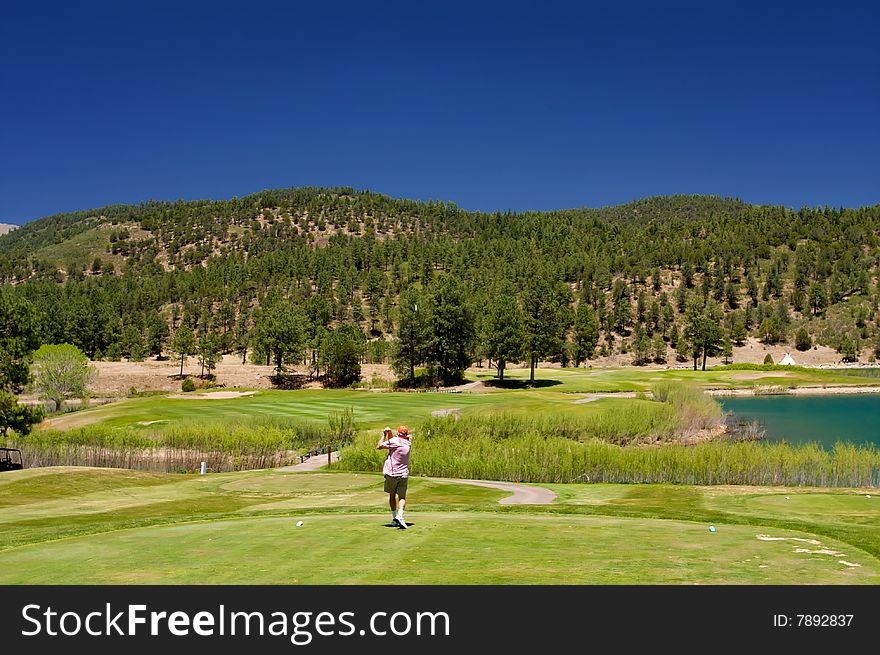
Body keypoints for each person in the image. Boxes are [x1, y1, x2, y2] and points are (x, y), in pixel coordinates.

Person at [377, 425, 411, 529]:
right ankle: (400, 516)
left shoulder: (395, 441)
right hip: (403, 474)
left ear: (398, 433)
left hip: (392, 474)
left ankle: (394, 518)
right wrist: (390, 433)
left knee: (392, 495)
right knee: (402, 497)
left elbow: (379, 446)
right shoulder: (408, 442)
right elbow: (394, 442)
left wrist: (384, 434)